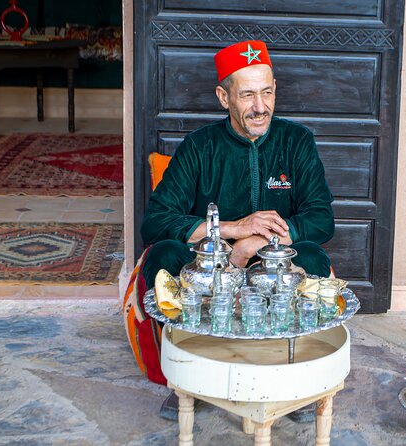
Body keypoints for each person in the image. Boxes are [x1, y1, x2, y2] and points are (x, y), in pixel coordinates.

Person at [140, 40, 335, 422]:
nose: (260, 107)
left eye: (266, 92)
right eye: (246, 95)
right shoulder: (199, 147)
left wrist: (257, 242)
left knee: (313, 257)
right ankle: (186, 378)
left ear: (275, 89)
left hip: (273, 266)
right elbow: (156, 220)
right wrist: (230, 230)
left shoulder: (297, 142)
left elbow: (321, 217)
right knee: (162, 256)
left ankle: (295, 380)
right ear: (223, 97)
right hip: (210, 267)